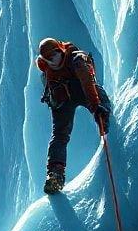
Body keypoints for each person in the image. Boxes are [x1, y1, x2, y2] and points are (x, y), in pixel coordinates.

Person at [35, 37, 111, 194]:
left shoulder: (76, 60)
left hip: (81, 89)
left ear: (60, 50)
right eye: (48, 58)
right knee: (59, 135)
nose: (52, 60)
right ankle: (55, 174)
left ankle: (106, 124)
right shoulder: (47, 71)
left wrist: (96, 107)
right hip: (61, 98)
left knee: (99, 98)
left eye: (53, 55)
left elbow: (88, 84)